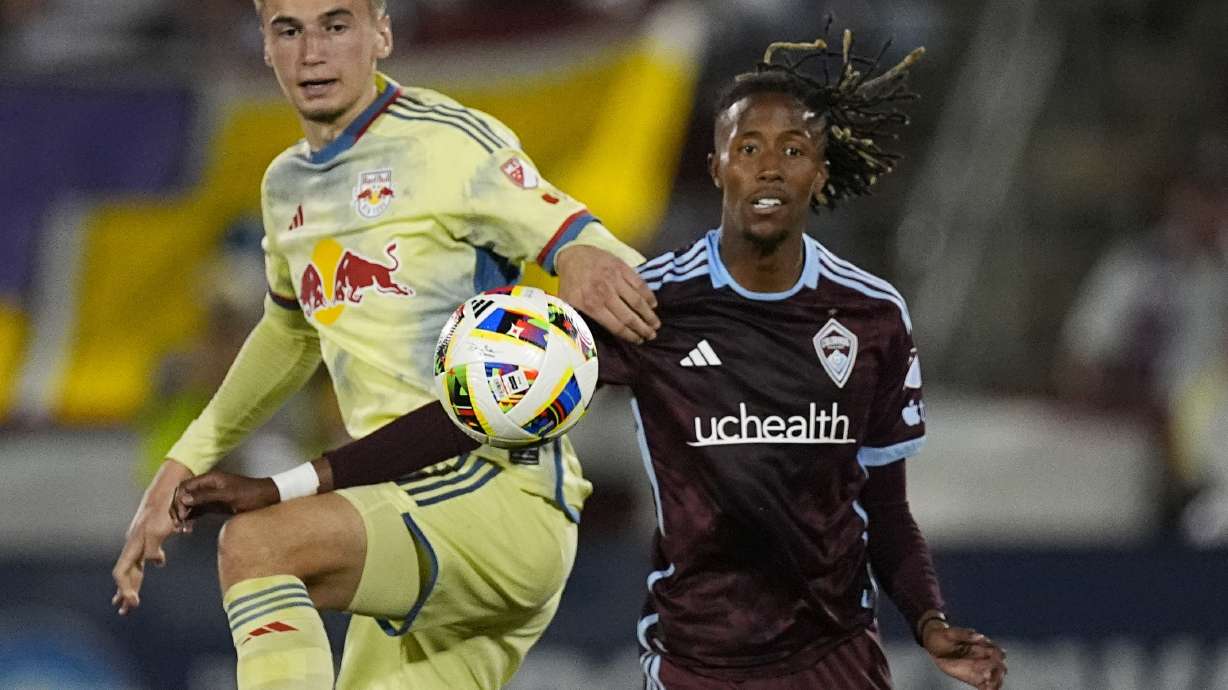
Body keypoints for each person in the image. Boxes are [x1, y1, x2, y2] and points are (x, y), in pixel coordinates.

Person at [178, 29, 1007, 689]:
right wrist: (295, 486)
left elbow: (884, 507)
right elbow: (471, 415)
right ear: (715, 164)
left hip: (838, 663)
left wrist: (929, 621)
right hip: (700, 662)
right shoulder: (651, 306)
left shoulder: (871, 316)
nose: (768, 168)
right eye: (747, 147)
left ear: (820, 171)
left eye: (792, 150)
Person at [110, 0, 659, 688]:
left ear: (382, 33)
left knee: (258, 543)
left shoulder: (446, 143)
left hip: (495, 494)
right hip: (401, 517)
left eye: (336, 25)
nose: (312, 51)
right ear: (266, 47)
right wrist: (180, 464)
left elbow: (582, 243)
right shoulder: (285, 186)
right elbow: (287, 334)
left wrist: (580, 252)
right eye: (289, 30)